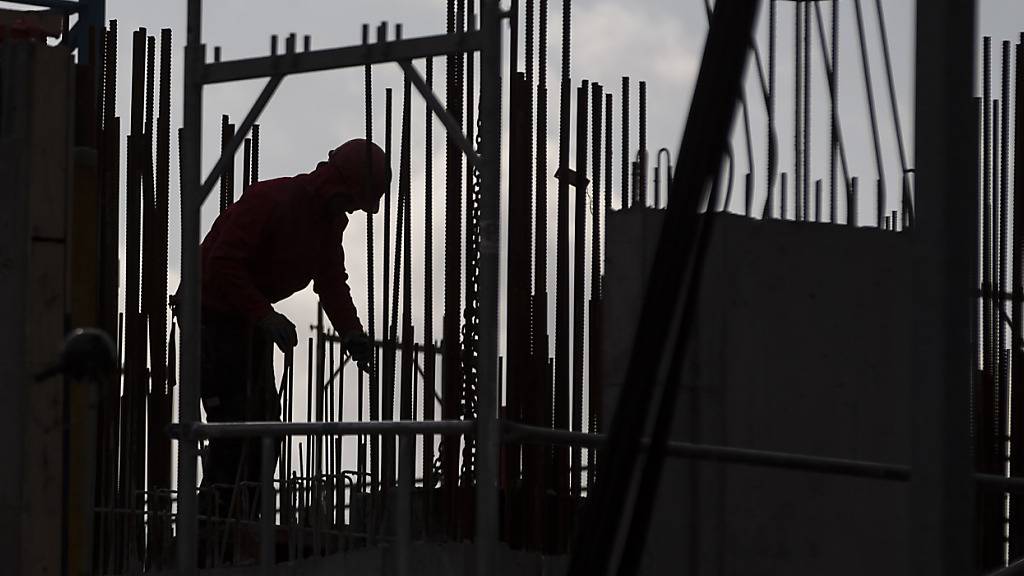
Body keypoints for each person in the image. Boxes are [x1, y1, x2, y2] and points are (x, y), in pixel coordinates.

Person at [198, 138, 388, 521]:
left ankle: (245, 522)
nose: (352, 210)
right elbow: (221, 265)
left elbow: (331, 281)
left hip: (248, 320)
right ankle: (210, 530)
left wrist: (352, 332)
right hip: (210, 316)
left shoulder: (328, 224)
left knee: (267, 429)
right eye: (353, 201)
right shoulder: (271, 200)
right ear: (338, 186)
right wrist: (264, 315)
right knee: (234, 425)